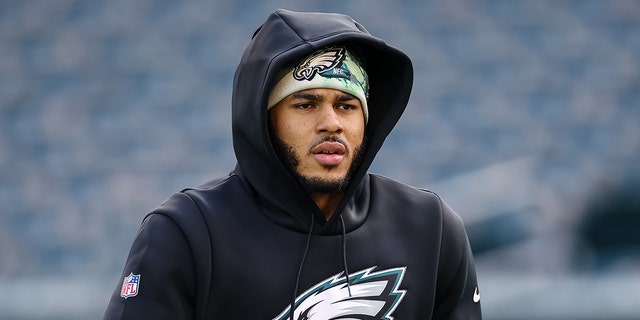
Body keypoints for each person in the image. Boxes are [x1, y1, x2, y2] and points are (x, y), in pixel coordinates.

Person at [104, 9, 482, 320]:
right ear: (264, 118)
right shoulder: (187, 233)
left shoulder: (431, 230)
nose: (331, 122)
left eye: (347, 105)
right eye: (305, 104)